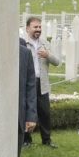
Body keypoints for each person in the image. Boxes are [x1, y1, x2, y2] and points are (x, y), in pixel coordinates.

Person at [22, 15, 59, 147]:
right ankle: (26, 139)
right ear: (27, 28)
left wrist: (47, 55)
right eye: (35, 27)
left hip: (42, 83)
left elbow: (57, 62)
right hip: (27, 83)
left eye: (39, 27)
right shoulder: (22, 43)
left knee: (44, 112)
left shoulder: (46, 44)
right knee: (26, 110)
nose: (38, 29)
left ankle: (47, 140)